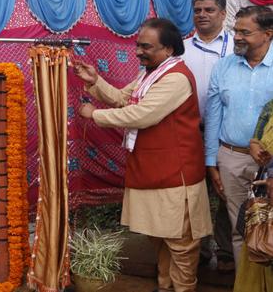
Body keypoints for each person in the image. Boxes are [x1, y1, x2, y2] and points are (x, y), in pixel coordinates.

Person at [75, 18, 212, 292]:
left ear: (169, 50)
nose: (138, 51)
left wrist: (95, 114)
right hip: (149, 167)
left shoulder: (175, 78)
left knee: (181, 242)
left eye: (146, 47)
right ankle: (164, 286)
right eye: (137, 45)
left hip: (175, 171)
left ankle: (184, 288)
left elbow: (141, 114)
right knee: (159, 236)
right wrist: (96, 82)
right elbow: (124, 99)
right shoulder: (149, 73)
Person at [204, 6, 273, 269]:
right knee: (239, 227)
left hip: (269, 163)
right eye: (236, 31)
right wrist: (212, 162)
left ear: (268, 33)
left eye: (245, 32)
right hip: (231, 158)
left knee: (269, 227)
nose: (237, 37)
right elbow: (213, 117)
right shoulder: (223, 67)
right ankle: (245, 285)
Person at [181, 0, 235, 272]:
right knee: (194, 192)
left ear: (223, 14)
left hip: (227, 134)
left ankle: (226, 251)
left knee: (226, 191)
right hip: (190, 132)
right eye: (198, 10)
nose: (202, 15)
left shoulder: (238, 47)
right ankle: (199, 250)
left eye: (209, 10)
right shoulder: (182, 48)